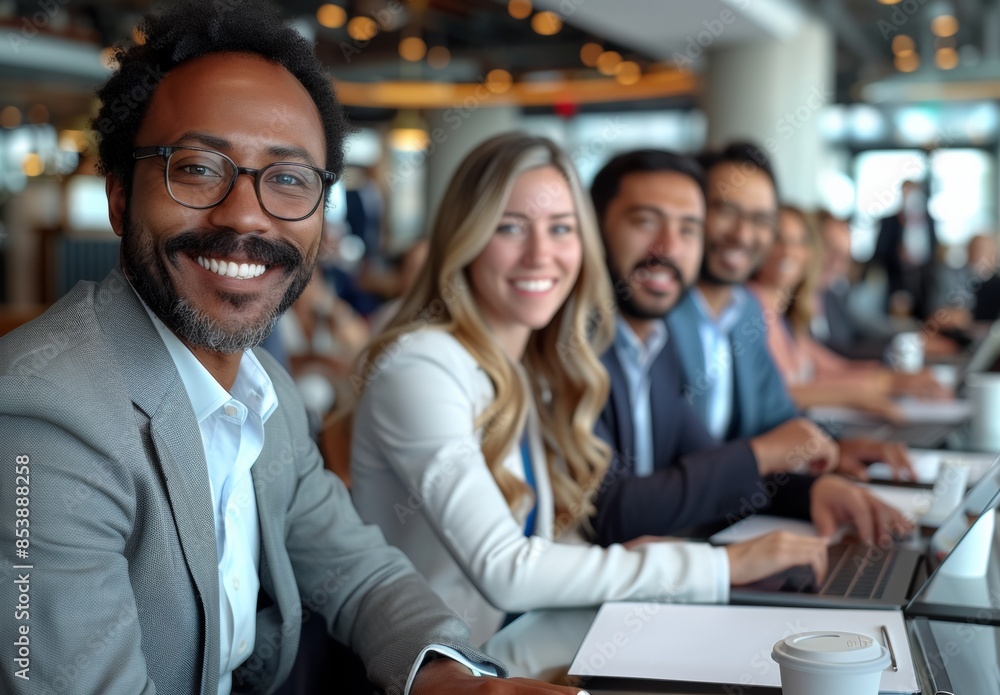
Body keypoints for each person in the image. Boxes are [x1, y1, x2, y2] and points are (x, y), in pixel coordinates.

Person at [0, 3, 584, 694]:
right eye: (195, 168)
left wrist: (460, 680)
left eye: (287, 179)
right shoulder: (45, 418)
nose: (245, 214)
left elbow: (360, 571)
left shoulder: (261, 389)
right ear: (121, 196)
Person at [347, 132, 833, 647]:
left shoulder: (531, 360)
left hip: (530, 645)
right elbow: (504, 568)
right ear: (465, 237)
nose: (541, 254)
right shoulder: (422, 364)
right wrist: (715, 565)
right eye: (511, 227)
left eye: (561, 228)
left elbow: (559, 536)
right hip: (443, 670)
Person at [585, 149, 911, 546]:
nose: (741, 234)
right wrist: (766, 456)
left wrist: (812, 489)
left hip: (690, 537)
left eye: (686, 226)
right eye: (646, 221)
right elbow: (613, 511)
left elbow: (733, 451)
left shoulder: (679, 330)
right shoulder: (627, 328)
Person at [666, 143, 911, 475]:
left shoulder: (744, 310)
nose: (742, 234)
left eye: (760, 219)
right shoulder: (660, 317)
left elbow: (776, 416)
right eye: (726, 211)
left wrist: (831, 453)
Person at [749, 206, 948, 418]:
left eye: (799, 242)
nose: (789, 251)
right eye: (778, 239)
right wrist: (862, 393)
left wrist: (892, 380)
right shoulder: (752, 305)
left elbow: (831, 367)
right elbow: (775, 393)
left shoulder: (785, 313)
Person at [871, 180, 939, 321]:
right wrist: (897, 253)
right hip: (897, 281)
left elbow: (935, 251)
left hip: (924, 282)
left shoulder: (929, 221)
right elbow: (879, 254)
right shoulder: (890, 221)